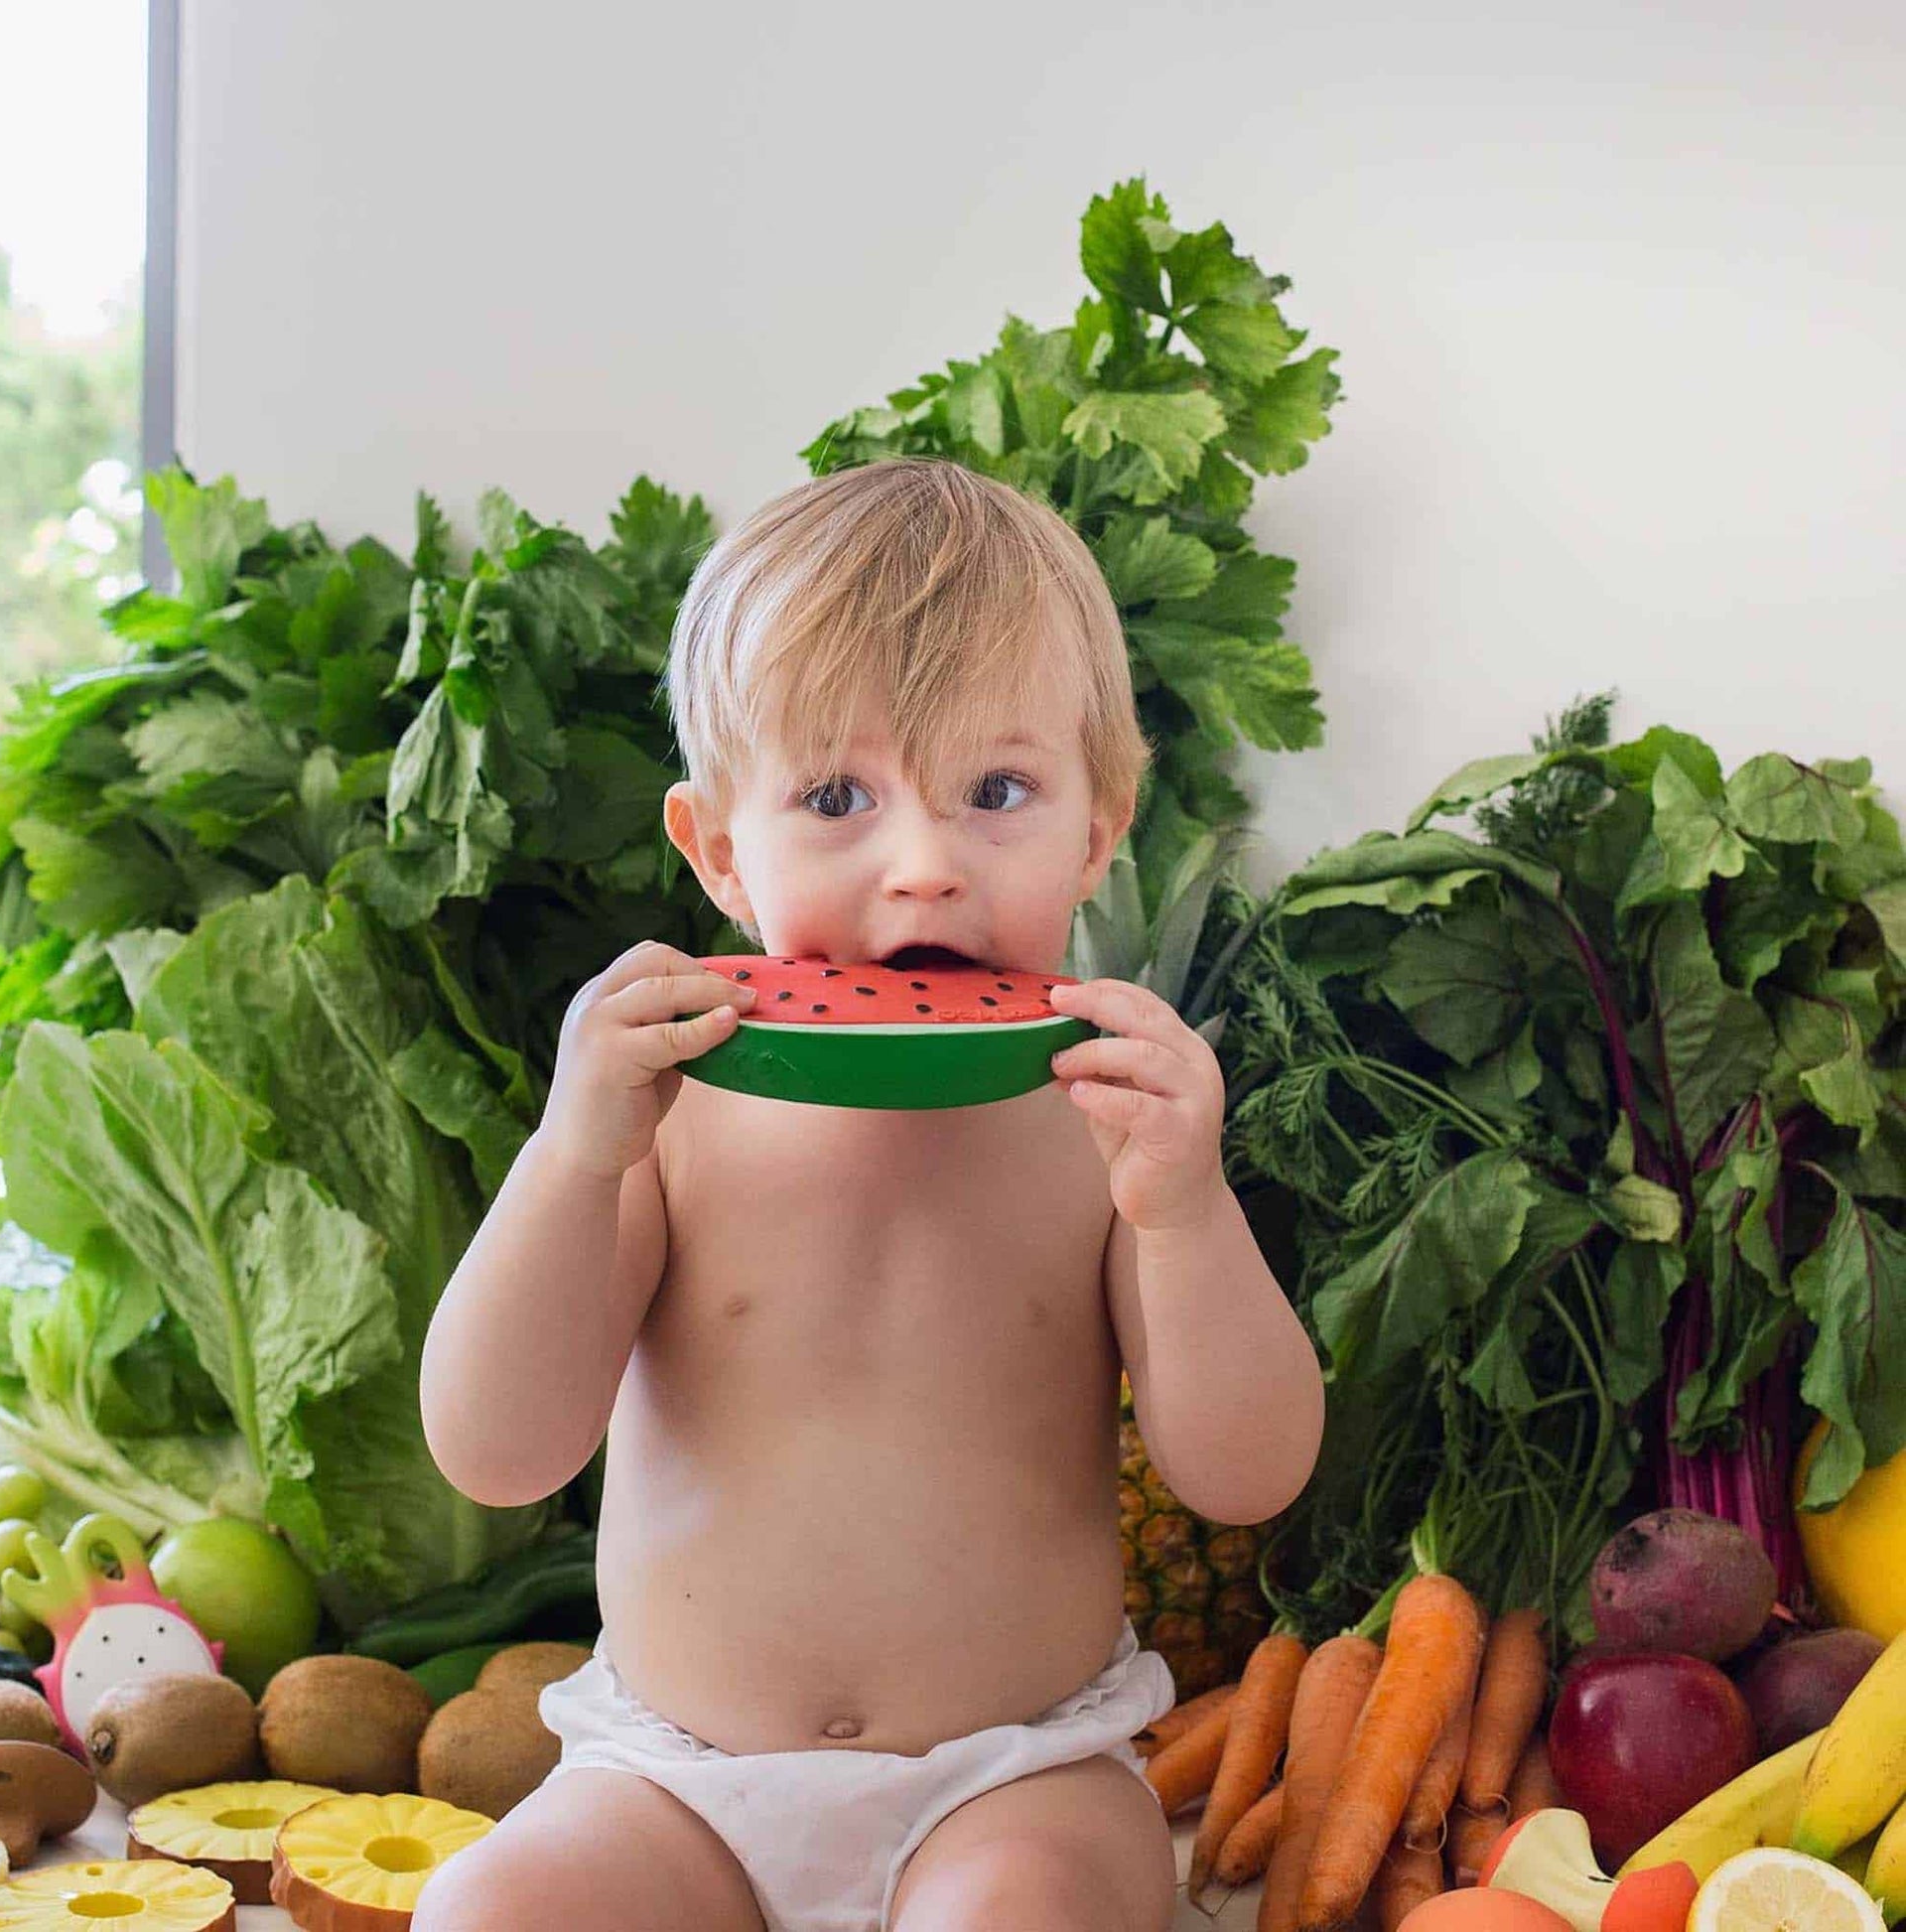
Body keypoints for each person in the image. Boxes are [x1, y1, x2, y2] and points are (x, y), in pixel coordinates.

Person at [413, 456, 1325, 1932]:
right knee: (487, 1914)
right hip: (673, 1780)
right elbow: (495, 1451)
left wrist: (1184, 1208)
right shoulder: (665, 1116)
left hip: (1013, 1775)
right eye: (835, 795)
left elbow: (1247, 1471)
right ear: (715, 847)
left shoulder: (1104, 1127)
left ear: (1099, 824)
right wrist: (571, 1159)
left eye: (997, 790)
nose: (922, 868)